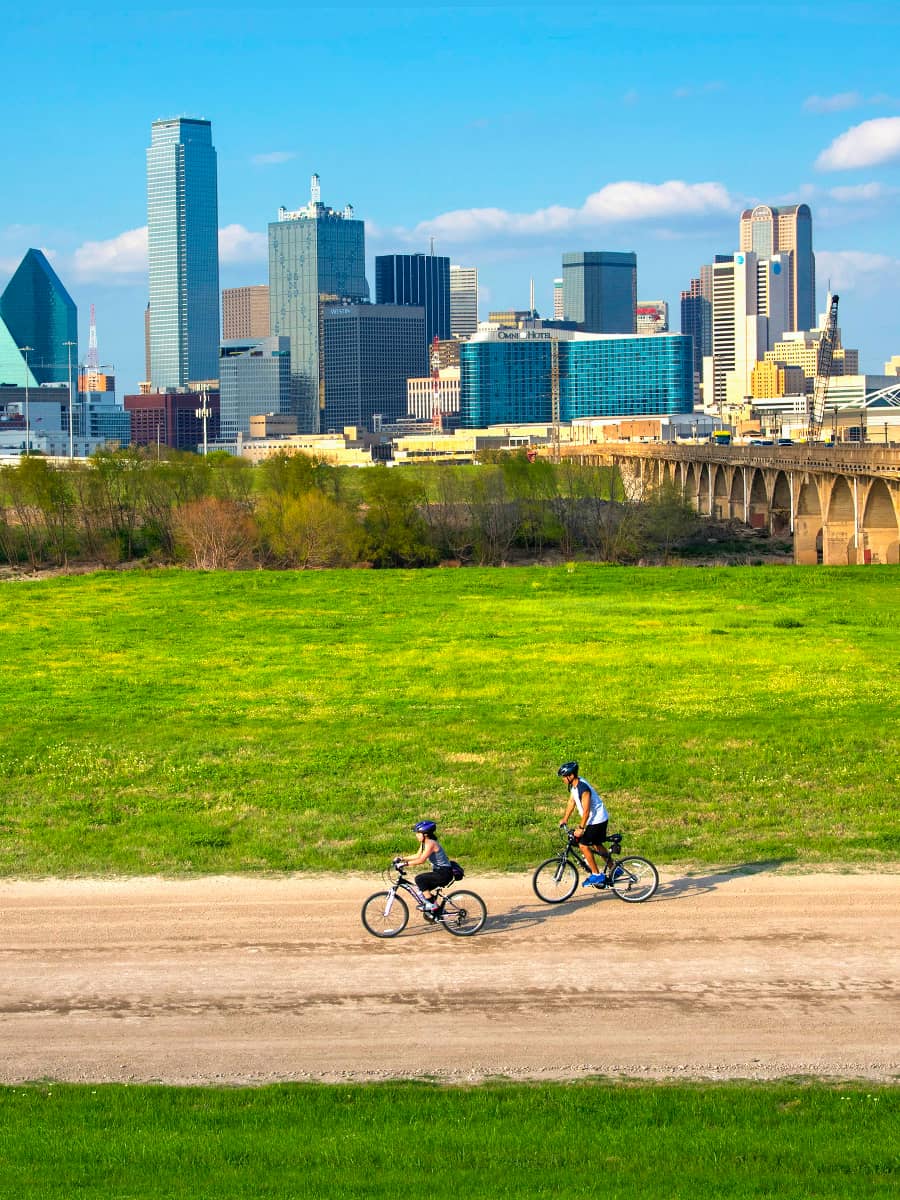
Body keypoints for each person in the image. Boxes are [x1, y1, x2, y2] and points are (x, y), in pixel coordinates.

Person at [557, 761, 613, 887]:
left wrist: (581, 828)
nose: (562, 779)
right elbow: (572, 802)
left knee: (583, 845)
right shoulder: (574, 786)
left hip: (597, 819)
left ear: (571, 776)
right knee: (596, 844)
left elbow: (586, 811)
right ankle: (615, 868)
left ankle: (596, 875)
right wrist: (565, 818)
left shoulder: (583, 789)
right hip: (595, 819)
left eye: (564, 777)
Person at [396, 820, 454, 918]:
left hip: (444, 873)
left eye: (418, 833)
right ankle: (435, 911)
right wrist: (401, 859)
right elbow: (417, 855)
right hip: (439, 871)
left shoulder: (431, 843)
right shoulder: (424, 843)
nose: (416, 835)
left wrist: (404, 864)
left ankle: (433, 906)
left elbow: (421, 860)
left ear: (425, 834)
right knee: (422, 889)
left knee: (419, 879)